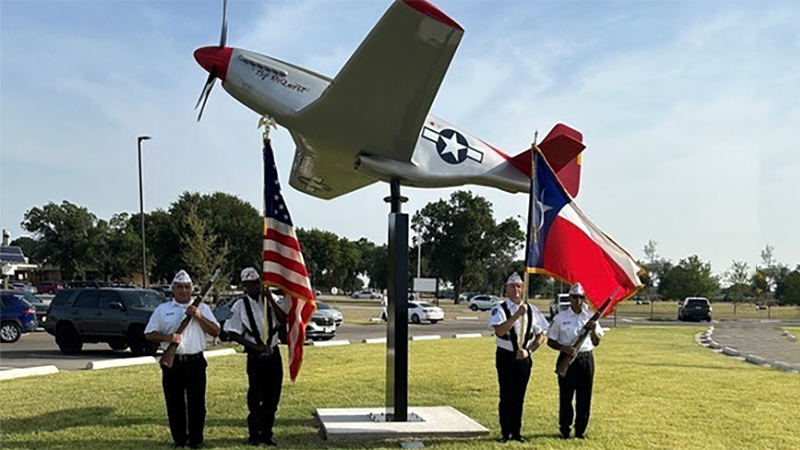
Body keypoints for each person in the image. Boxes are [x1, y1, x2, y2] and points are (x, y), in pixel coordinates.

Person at [145, 270, 220, 449]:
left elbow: (215, 331)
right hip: (174, 363)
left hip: (196, 361)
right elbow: (149, 333)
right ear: (173, 289)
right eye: (180, 287)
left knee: (197, 404)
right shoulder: (163, 310)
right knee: (174, 403)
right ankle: (179, 440)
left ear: (192, 289)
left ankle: (196, 440)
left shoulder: (202, 308)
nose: (184, 290)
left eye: (187, 287)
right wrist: (169, 338)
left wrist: (199, 316)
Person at [224, 267, 287, 447]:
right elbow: (232, 332)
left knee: (272, 396)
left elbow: (283, 320)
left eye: (257, 283)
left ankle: (267, 433)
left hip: (274, 354)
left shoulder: (269, 300)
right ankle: (254, 435)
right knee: (255, 396)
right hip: (255, 355)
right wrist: (254, 346)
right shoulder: (240, 305)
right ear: (244, 285)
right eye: (250, 284)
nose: (255, 287)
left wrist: (270, 300)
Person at [488, 272, 549, 443]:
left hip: (523, 359)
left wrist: (529, 351)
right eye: (512, 286)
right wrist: (516, 316)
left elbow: (540, 336)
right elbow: (499, 330)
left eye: (519, 286)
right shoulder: (500, 309)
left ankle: (516, 432)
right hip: (506, 357)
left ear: (523, 289)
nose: (516, 290)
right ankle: (505, 433)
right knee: (506, 395)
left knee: (519, 396)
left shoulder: (533, 310)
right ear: (506, 290)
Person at [546, 282, 604, 440]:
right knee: (566, 396)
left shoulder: (591, 317)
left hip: (586, 358)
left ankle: (580, 431)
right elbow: (550, 341)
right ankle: (565, 429)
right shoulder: (560, 317)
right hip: (567, 358)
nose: (578, 300)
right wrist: (564, 349)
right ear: (569, 298)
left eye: (581, 297)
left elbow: (597, 341)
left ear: (585, 299)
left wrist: (592, 331)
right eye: (574, 297)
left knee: (585, 396)